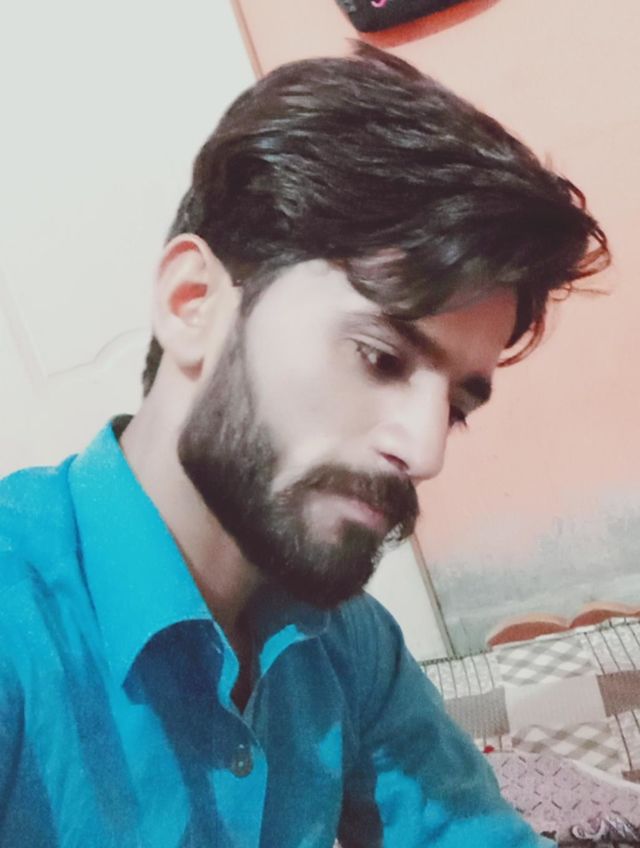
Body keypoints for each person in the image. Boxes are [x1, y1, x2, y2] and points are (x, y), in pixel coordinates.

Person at [0, 42, 608, 847]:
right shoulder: (19, 621)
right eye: (379, 357)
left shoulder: (347, 642)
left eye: (456, 407)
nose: (425, 452)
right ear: (192, 303)